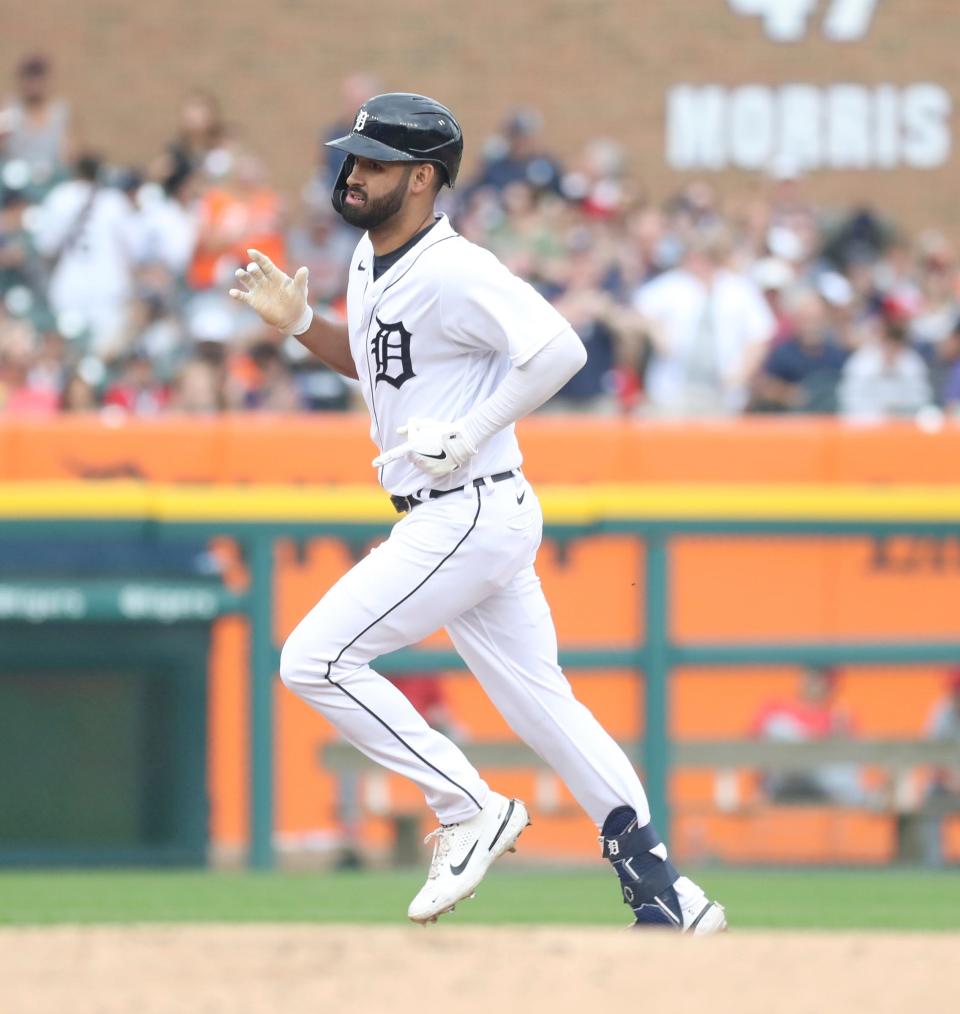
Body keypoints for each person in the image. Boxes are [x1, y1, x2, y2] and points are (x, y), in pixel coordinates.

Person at [230, 92, 725, 933]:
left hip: (463, 506)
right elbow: (377, 361)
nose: (354, 174)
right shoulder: (368, 257)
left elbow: (560, 349)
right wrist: (301, 324)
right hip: (471, 511)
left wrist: (470, 428)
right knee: (545, 707)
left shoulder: (457, 267)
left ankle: (466, 807)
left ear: (423, 179)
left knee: (312, 659)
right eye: (354, 158)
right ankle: (667, 892)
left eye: (377, 163)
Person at [633, 224, 775, 416]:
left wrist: (742, 373)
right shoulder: (673, 284)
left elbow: (760, 333)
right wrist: (658, 332)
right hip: (675, 391)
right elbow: (641, 307)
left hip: (723, 393)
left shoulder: (739, 289)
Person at [750, 666, 862, 805]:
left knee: (840, 767)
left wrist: (835, 735)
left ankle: (866, 797)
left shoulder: (838, 715)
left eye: (822, 678)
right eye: (811, 676)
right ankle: (863, 796)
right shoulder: (776, 707)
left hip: (823, 783)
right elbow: (754, 743)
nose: (814, 682)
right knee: (778, 726)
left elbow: (848, 759)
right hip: (783, 780)